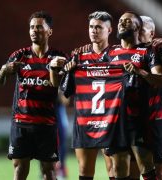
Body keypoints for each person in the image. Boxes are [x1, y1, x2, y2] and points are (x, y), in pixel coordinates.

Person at [0, 11, 67, 180]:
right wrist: (4, 71)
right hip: (21, 123)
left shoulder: (59, 57)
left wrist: (54, 69)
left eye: (39, 27)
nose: (34, 30)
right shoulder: (19, 55)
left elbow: (58, 86)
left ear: (49, 32)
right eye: (32, 27)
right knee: (20, 169)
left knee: (49, 171)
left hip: (47, 124)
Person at [101, 11, 162, 179]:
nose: (122, 23)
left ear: (138, 27)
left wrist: (140, 72)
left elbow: (161, 81)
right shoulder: (110, 53)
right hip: (115, 120)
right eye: (121, 20)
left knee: (146, 165)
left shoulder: (148, 52)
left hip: (138, 120)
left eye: (128, 21)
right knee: (119, 167)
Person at [54, 11, 115, 180]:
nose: (94, 30)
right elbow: (66, 92)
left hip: (110, 122)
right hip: (84, 121)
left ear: (109, 30)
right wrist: (66, 71)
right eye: (91, 27)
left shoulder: (117, 55)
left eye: (98, 27)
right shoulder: (78, 56)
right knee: (84, 169)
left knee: (113, 168)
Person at [139, 15, 162, 180]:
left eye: (142, 29)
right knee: (138, 167)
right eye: (135, 28)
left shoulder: (159, 49)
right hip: (133, 118)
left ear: (151, 33)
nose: (137, 32)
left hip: (156, 116)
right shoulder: (122, 51)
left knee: (161, 169)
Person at [55, 91, 70, 179]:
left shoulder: (63, 83)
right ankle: (44, 169)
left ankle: (61, 168)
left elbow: (66, 101)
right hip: (47, 114)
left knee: (62, 143)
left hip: (60, 115)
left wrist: (59, 93)